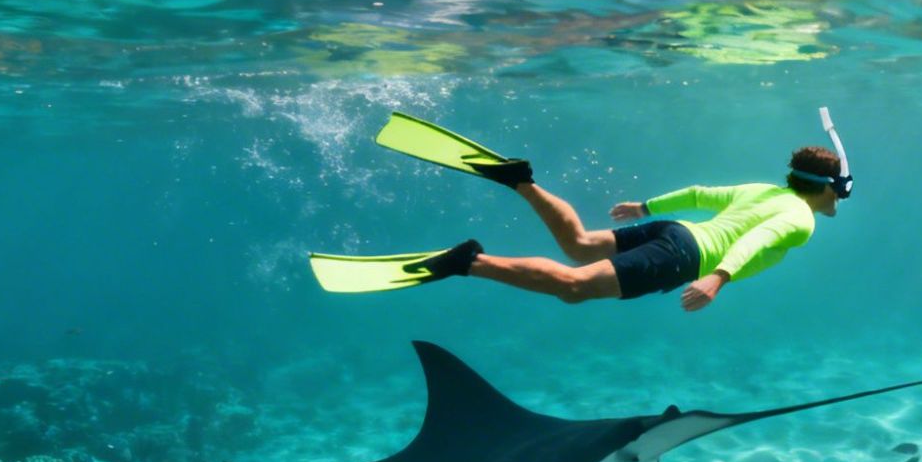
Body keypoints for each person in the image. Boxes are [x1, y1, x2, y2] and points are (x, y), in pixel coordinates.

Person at [307, 110, 853, 311]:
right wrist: (719, 277)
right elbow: (757, 242)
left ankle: (520, 181)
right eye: (841, 191)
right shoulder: (801, 219)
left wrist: (646, 205)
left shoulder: (764, 189)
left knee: (579, 243)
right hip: (687, 257)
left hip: (675, 229)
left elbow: (703, 192)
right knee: (573, 285)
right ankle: (468, 262)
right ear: (828, 189)